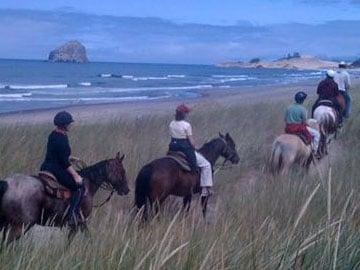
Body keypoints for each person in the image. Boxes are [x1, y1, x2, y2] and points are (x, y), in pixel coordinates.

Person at [41, 111, 84, 226]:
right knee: (79, 187)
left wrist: (71, 158)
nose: (71, 125)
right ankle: (72, 215)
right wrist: (76, 176)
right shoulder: (62, 138)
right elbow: (64, 162)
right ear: (65, 124)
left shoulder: (54, 134)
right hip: (56, 169)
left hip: (46, 166)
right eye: (70, 123)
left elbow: (57, 154)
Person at [168, 104, 213, 197]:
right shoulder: (186, 125)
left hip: (173, 148)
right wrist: (195, 147)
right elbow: (191, 141)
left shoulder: (171, 123)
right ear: (184, 114)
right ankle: (205, 190)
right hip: (185, 148)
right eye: (186, 113)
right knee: (206, 165)